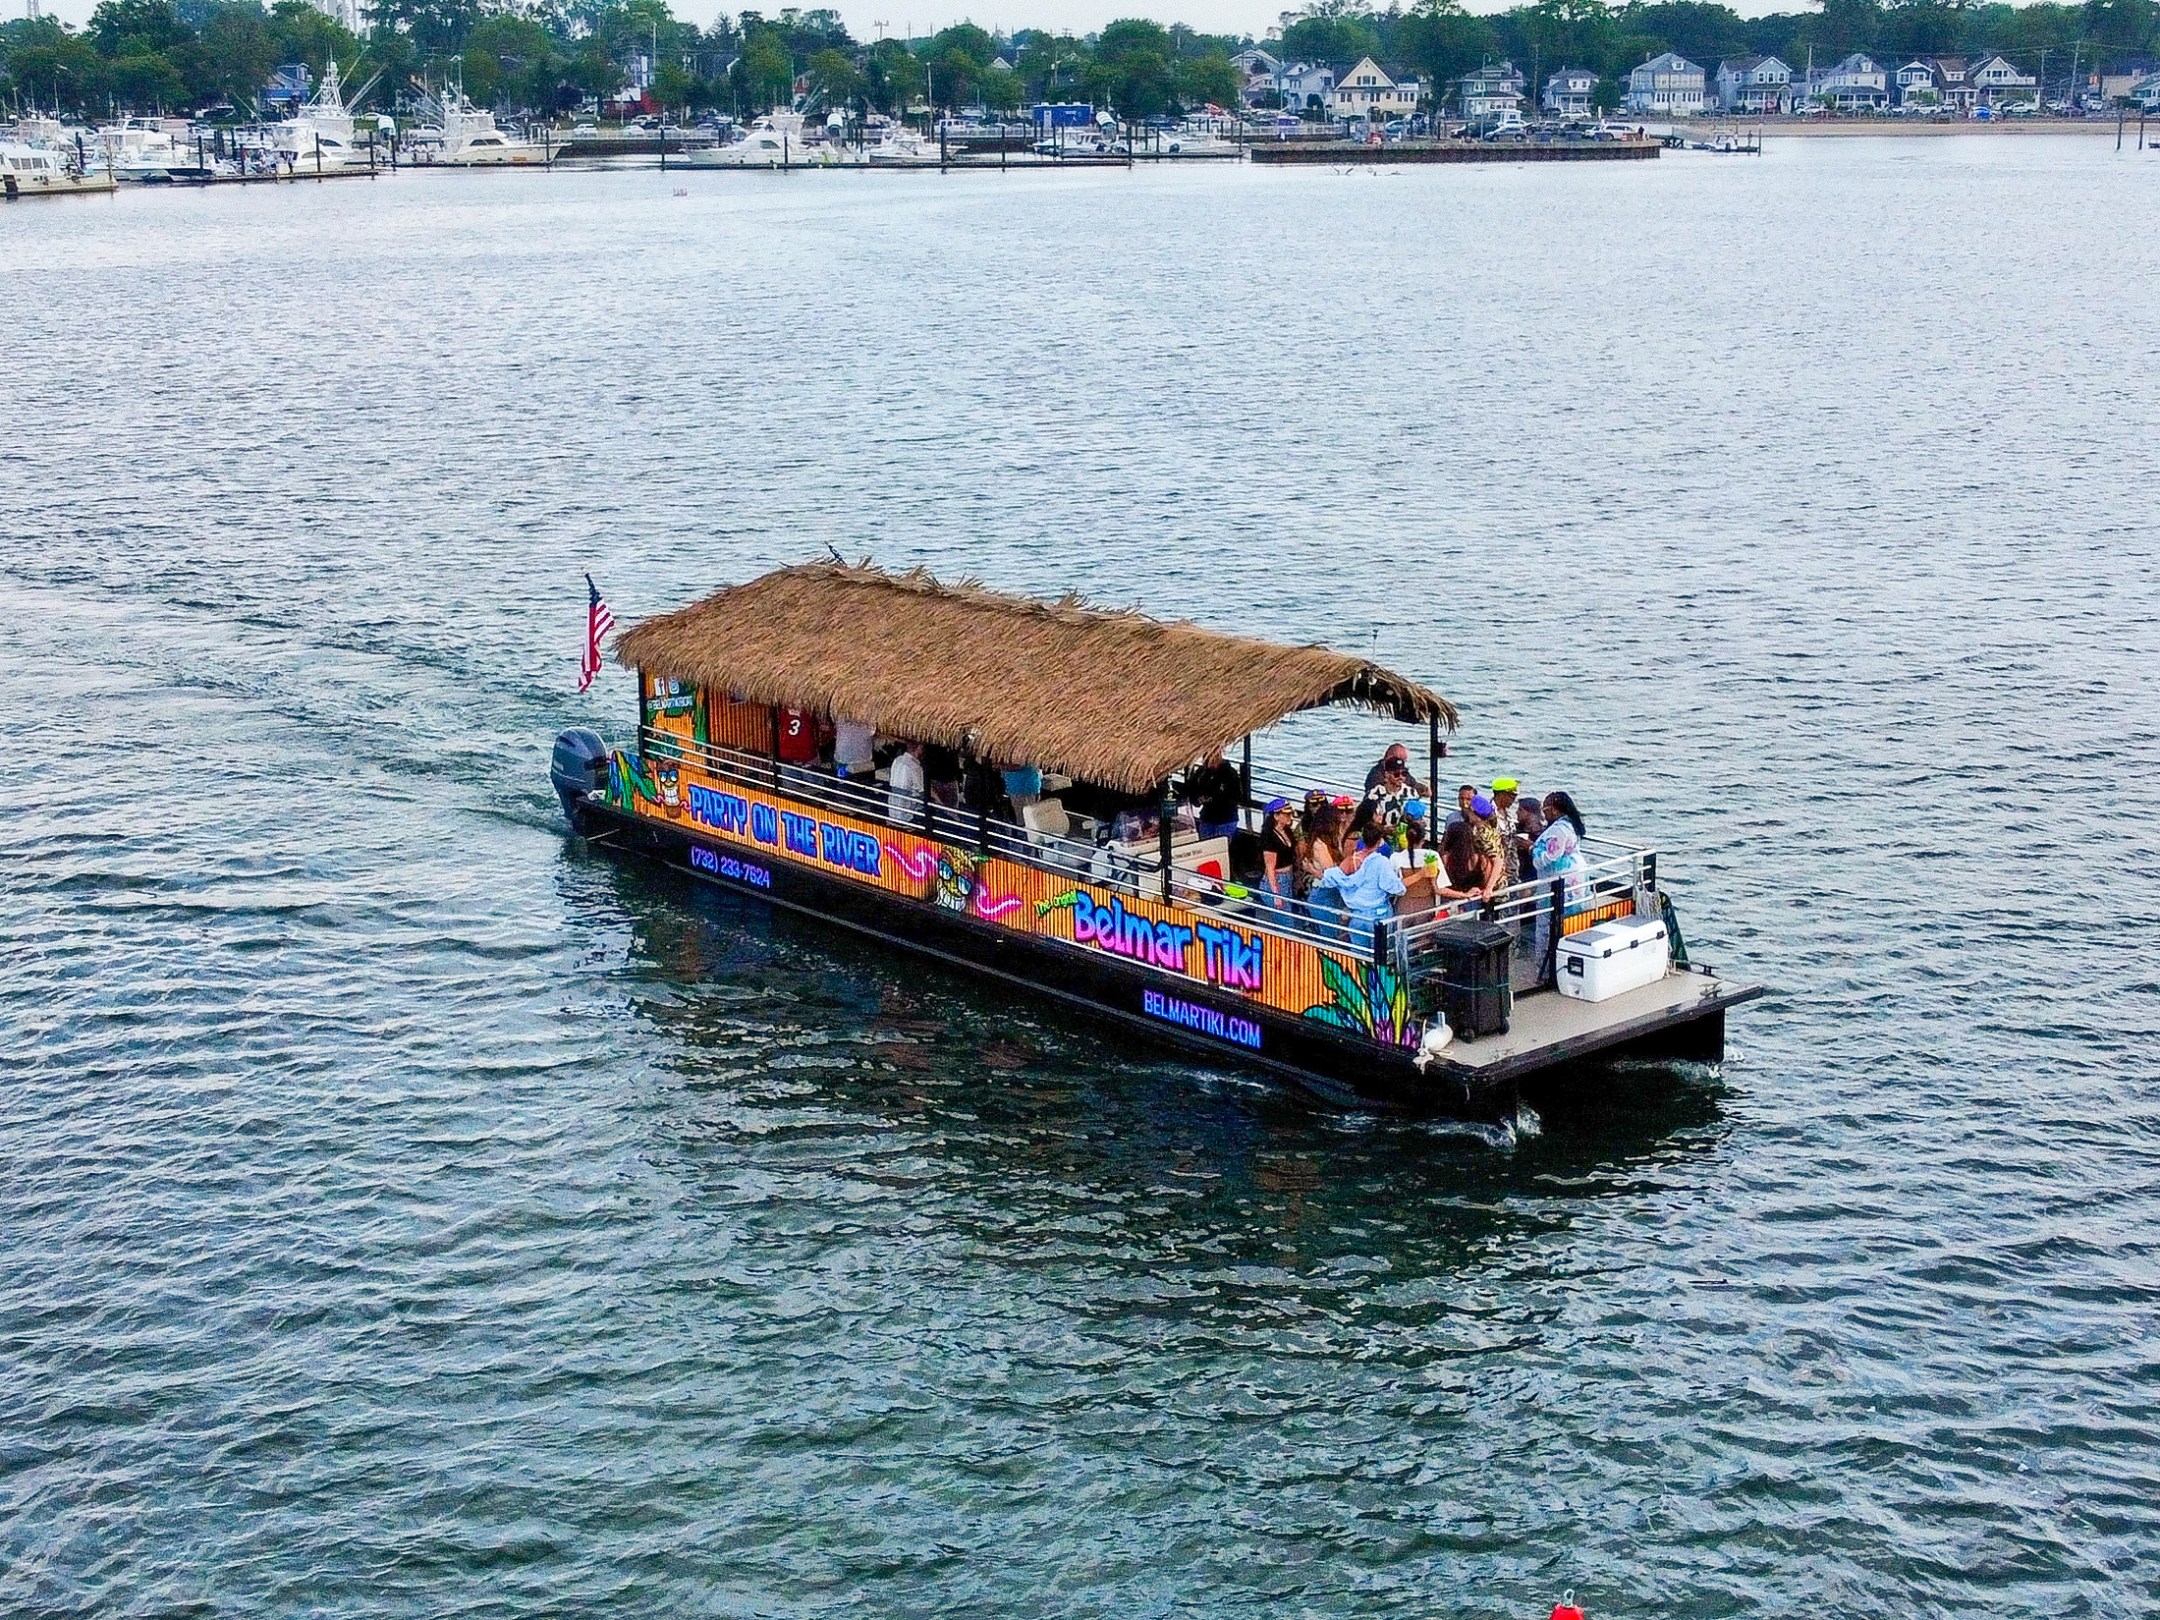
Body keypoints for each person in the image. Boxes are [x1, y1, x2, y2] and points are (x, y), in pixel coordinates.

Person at [1183, 748, 1245, 842]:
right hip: (1207, 817)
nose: (1210, 761)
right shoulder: (1202, 772)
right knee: (1206, 845)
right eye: (1207, 758)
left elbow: (1236, 797)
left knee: (1220, 845)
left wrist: (1214, 799)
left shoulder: (1229, 773)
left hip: (1226, 818)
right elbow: (1192, 790)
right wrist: (1198, 799)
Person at [1257, 797, 1299, 904]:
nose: (1290, 816)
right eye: (1286, 814)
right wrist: (1276, 895)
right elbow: (1270, 868)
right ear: (1276, 816)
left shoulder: (1287, 831)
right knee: (1283, 913)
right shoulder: (1269, 837)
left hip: (1288, 877)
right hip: (1278, 879)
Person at [1488, 777, 1524, 887]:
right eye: (1512, 797)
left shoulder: (1508, 815)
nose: (1513, 801)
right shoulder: (1489, 814)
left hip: (1511, 866)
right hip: (1495, 867)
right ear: (1502, 795)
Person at [1363, 742, 1429, 796]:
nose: (1401, 776)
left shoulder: (1402, 772)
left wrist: (1425, 789)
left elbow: (1413, 784)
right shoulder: (1376, 774)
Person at [886, 739, 926, 824]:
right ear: (918, 748)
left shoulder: (897, 760)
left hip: (893, 812)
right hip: (907, 816)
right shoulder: (915, 767)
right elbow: (923, 793)